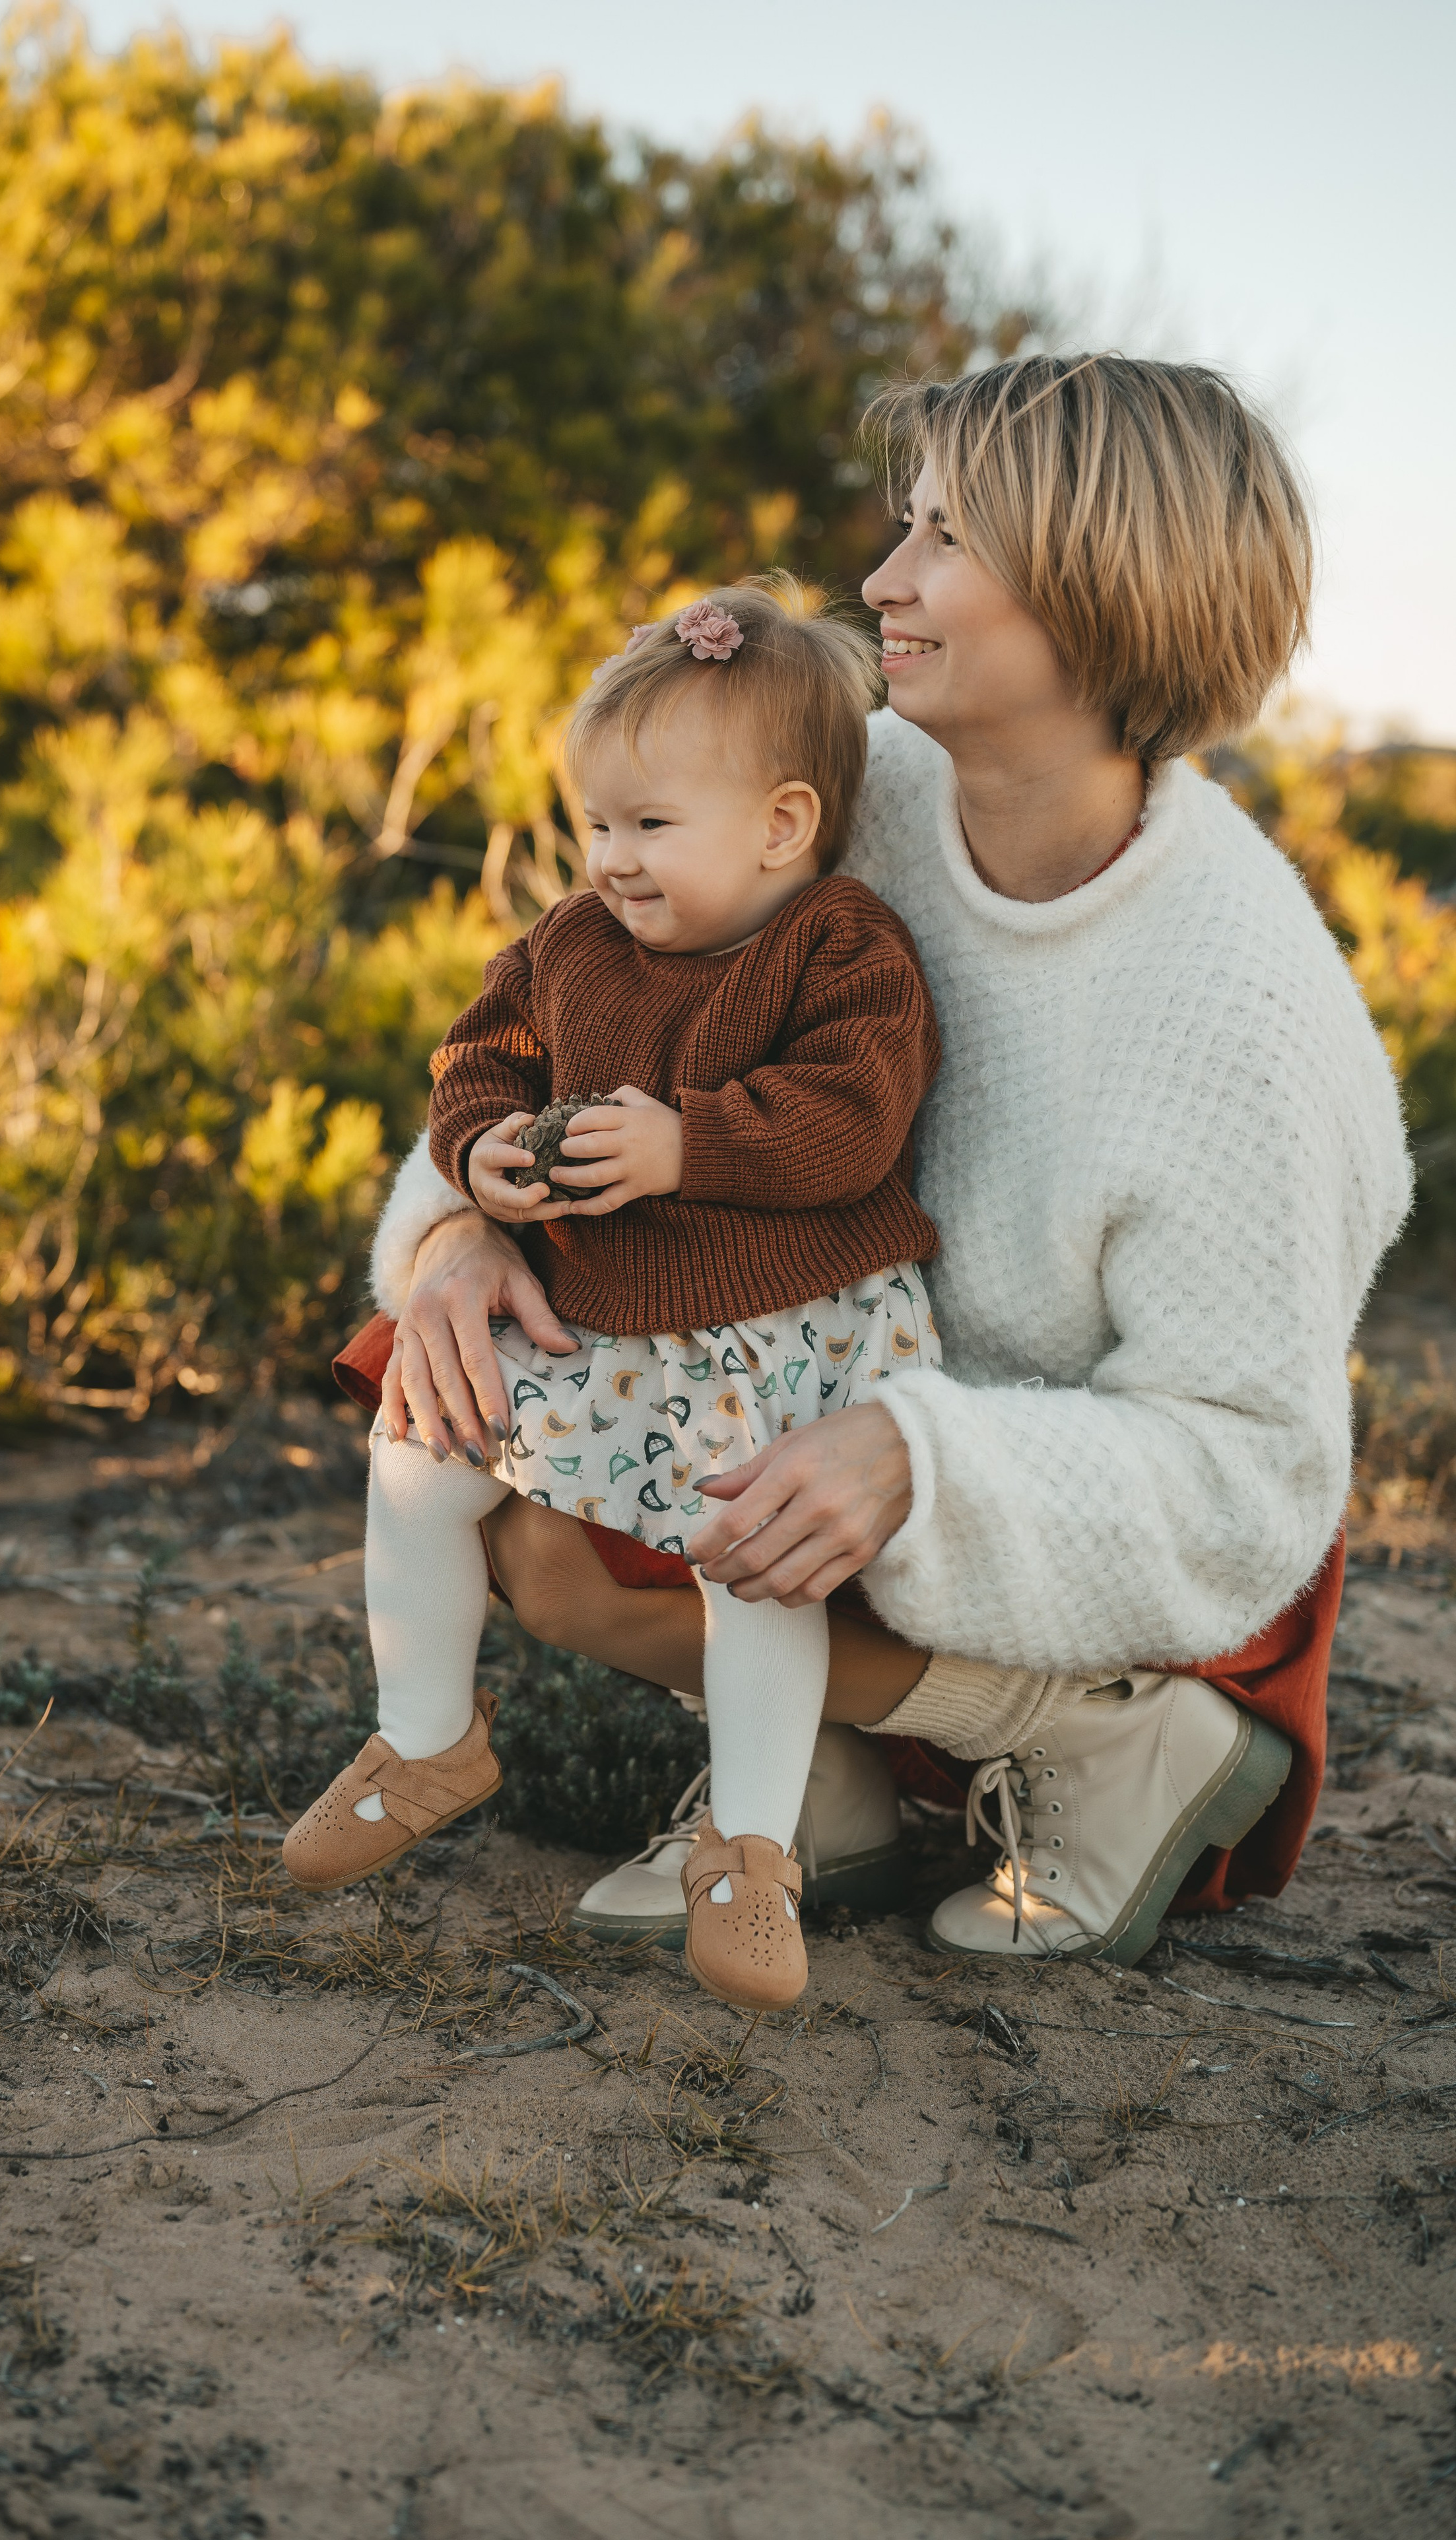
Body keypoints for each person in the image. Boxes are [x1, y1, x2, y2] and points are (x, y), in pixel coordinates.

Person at [349, 353, 1413, 1965]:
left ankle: (1115, 1744)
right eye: (899, 524)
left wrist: (921, 1458)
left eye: (943, 541)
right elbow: (594, 1005)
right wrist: (456, 1238)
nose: (879, 579)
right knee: (494, 1467)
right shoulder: (858, 793)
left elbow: (1244, 1478)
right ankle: (816, 1787)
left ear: (1095, 593)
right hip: (813, 1392)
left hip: (1120, 1553)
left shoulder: (1238, 1016)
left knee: (696, 1508)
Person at [286, 580, 1038, 2011]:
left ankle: (752, 1846)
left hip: (782, 1327)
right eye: (595, 823)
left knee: (745, 1554)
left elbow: (856, 1118)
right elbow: (476, 1061)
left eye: (648, 826)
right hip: (618, 1320)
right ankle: (426, 1732)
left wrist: (689, 1141)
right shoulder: (571, 942)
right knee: (417, 1446)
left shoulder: (841, 947)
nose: (611, 859)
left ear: (780, 823)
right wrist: (481, 1151)